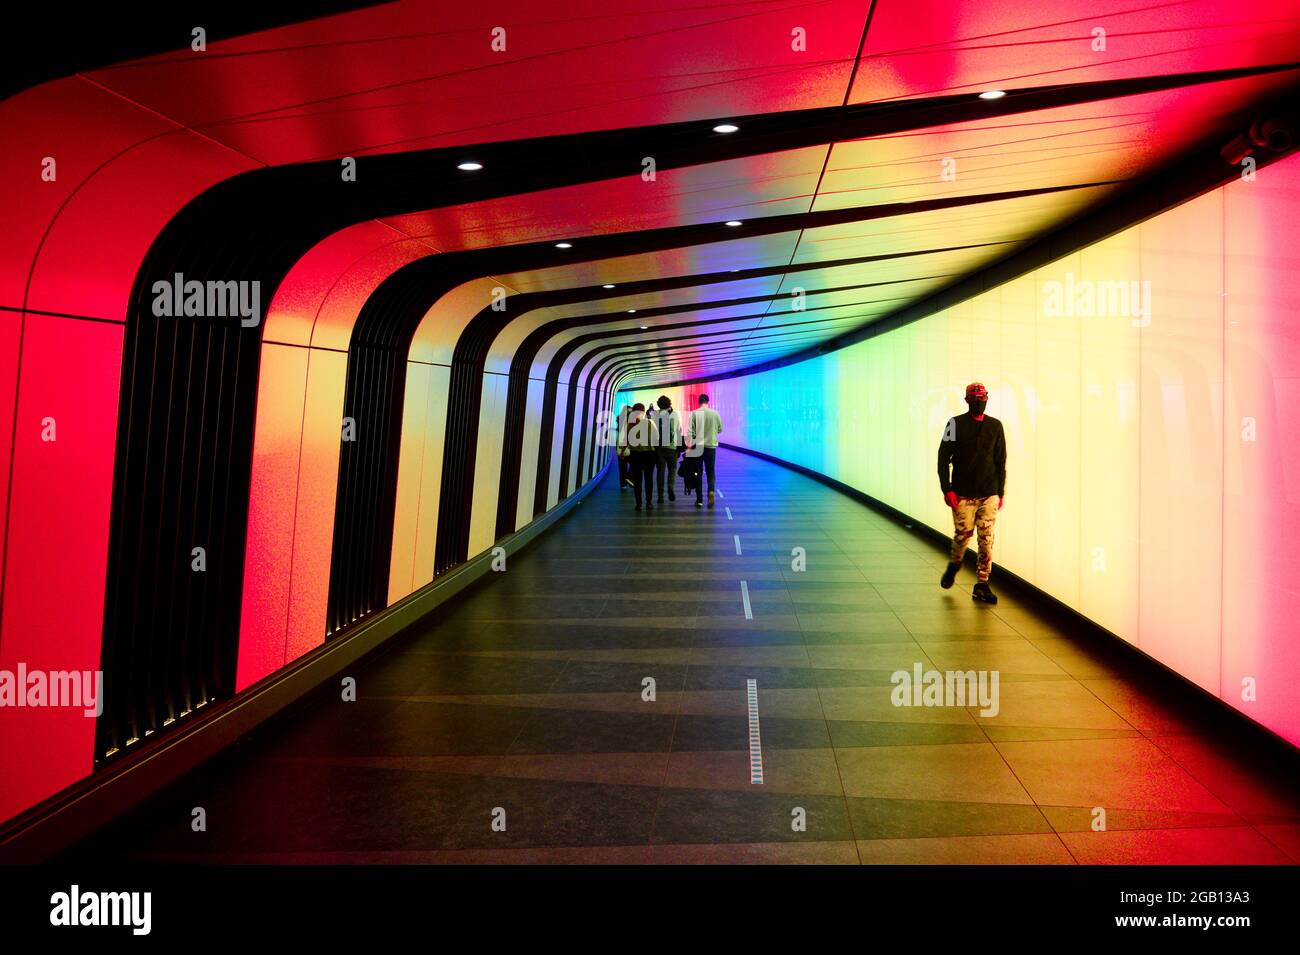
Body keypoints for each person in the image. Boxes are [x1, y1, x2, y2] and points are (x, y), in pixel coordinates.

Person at [937, 382, 1007, 603]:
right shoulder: (954, 424)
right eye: (975, 398)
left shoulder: (996, 426)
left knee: (986, 539)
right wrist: (946, 489)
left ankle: (982, 584)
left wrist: (1000, 492)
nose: (979, 402)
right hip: (963, 494)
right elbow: (943, 457)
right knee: (963, 536)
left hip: (989, 493)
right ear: (967, 400)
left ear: (987, 399)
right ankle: (955, 563)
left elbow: (1000, 460)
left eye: (982, 398)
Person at [687, 393, 723, 508]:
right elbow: (720, 429)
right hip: (711, 447)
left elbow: (690, 432)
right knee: (710, 471)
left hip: (698, 447)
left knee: (697, 472)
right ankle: (711, 491)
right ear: (708, 402)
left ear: (699, 402)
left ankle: (699, 500)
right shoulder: (715, 413)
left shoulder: (694, 413)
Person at [624, 403, 659, 511]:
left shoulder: (629, 425)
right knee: (649, 479)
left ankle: (638, 504)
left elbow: (626, 441)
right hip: (649, 454)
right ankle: (649, 503)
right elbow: (656, 438)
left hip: (635, 455)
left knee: (637, 480)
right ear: (644, 412)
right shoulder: (650, 422)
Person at [652, 394, 681, 503]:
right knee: (672, 470)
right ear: (669, 404)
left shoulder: (655, 414)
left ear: (659, 404)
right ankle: (670, 487)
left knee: (660, 471)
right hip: (672, 447)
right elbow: (678, 431)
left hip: (659, 447)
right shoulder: (674, 414)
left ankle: (660, 496)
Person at [615, 405, 633, 490]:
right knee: (634, 462)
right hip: (628, 446)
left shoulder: (619, 421)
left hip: (619, 444)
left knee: (622, 466)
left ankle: (623, 484)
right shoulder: (630, 422)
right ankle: (629, 477)